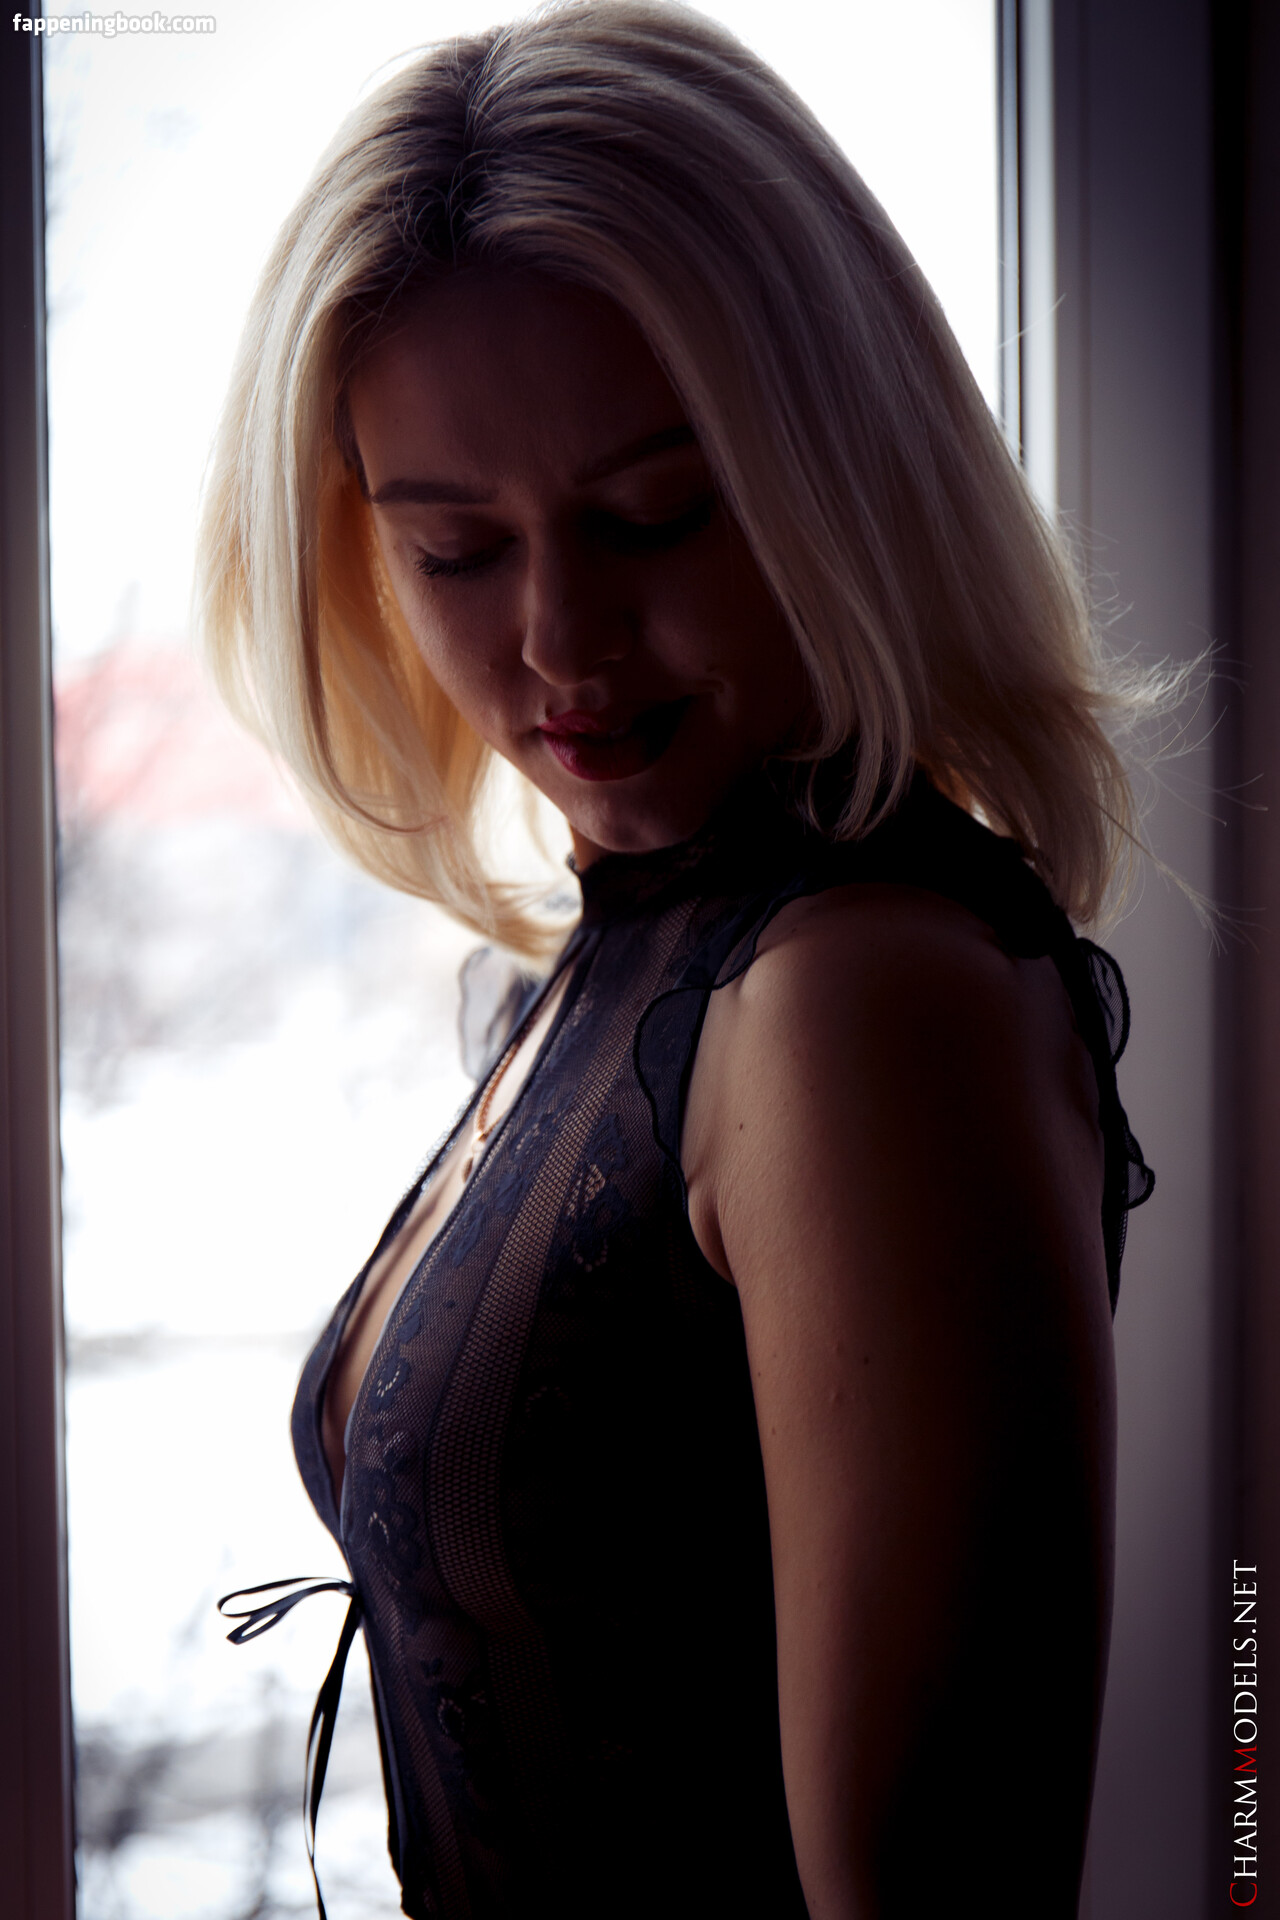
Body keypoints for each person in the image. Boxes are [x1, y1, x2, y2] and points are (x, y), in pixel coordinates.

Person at [198, 4, 1161, 1915]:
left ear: (841, 467)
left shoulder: (853, 996)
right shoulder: (627, 949)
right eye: (455, 551)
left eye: (654, 515)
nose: (562, 638)